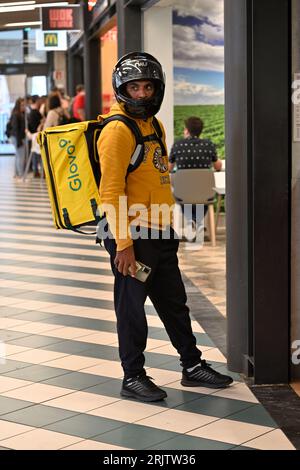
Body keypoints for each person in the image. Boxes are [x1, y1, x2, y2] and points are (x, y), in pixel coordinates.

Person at [97, 52, 233, 403]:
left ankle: (192, 366)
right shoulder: (116, 131)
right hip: (133, 238)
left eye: (148, 86)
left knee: (175, 303)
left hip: (159, 233)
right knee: (131, 308)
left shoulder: (153, 125)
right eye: (134, 87)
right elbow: (110, 192)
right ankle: (133, 376)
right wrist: (124, 246)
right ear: (121, 89)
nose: (142, 93)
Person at [169, 117, 223, 238]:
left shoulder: (178, 145)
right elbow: (218, 166)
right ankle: (197, 220)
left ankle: (192, 219)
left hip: (183, 193)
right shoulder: (208, 145)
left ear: (187, 130)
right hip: (205, 193)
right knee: (202, 196)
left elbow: (169, 168)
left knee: (183, 193)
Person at [10, 97, 26, 178]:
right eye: (22, 105)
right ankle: (20, 174)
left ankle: (16, 174)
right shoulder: (16, 114)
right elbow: (15, 128)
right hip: (17, 137)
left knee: (18, 155)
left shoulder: (19, 114)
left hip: (17, 137)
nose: (23, 107)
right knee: (20, 156)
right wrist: (19, 140)